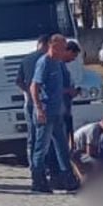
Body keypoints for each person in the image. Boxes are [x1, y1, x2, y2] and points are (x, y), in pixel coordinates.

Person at [29, 34, 75, 193]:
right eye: (62, 48)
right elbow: (34, 86)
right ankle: (38, 180)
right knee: (41, 147)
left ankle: (67, 178)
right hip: (46, 112)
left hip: (57, 113)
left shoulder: (58, 63)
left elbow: (58, 88)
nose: (64, 51)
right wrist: (39, 108)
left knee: (62, 147)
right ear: (53, 46)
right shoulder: (44, 63)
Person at [17, 33, 53, 160]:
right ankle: (44, 166)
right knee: (45, 137)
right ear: (46, 44)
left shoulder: (26, 60)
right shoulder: (48, 60)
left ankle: (33, 165)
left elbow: (18, 81)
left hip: (29, 102)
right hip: (44, 103)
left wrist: (27, 92)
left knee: (31, 136)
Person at [70, 113, 103, 181]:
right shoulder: (94, 129)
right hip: (75, 151)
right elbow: (90, 151)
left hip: (80, 150)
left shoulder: (101, 130)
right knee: (96, 162)